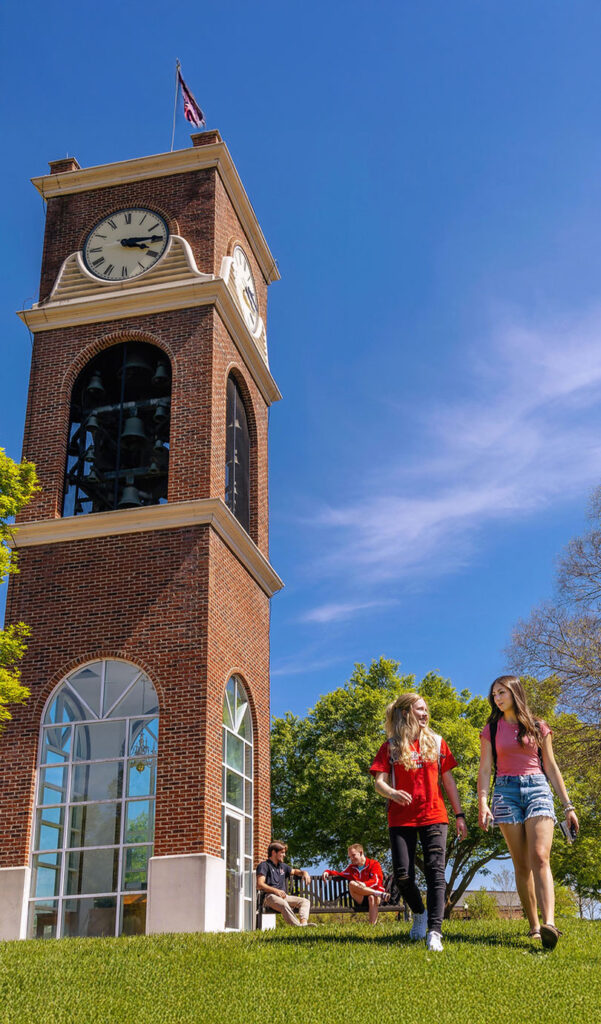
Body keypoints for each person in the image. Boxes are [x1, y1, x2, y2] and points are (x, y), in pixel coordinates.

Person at [478, 674, 579, 950]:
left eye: (502, 692)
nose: (497, 698)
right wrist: (483, 802)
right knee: (521, 864)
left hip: (537, 788)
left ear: (515, 693)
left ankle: (550, 924)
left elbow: (552, 768)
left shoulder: (538, 726)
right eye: (494, 694)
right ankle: (534, 927)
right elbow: (485, 769)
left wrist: (568, 806)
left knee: (540, 857)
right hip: (505, 792)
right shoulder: (491, 729)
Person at [370, 693, 468, 952]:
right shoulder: (390, 746)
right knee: (403, 876)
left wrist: (459, 815)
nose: (425, 714)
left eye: (426, 710)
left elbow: (448, 782)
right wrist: (392, 793)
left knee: (437, 874)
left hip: (434, 816)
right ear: (406, 713)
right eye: (420, 709)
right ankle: (419, 913)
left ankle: (434, 931)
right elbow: (379, 782)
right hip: (400, 818)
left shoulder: (437, 743)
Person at [322, 844, 389, 924]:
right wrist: (328, 872)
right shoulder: (352, 868)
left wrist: (365, 884)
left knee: (371, 897)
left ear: (361, 853)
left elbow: (376, 881)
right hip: (362, 898)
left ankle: (372, 927)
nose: (351, 859)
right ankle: (379, 893)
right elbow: (341, 874)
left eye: (353, 855)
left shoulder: (374, 864)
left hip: (375, 898)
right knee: (352, 883)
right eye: (350, 857)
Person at [256, 841, 314, 927]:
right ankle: (297, 926)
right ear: (273, 852)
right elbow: (259, 884)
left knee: (305, 901)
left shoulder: (283, 866)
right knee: (284, 904)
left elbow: (295, 871)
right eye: (282, 852)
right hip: (269, 897)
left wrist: (305, 873)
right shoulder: (264, 865)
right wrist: (276, 891)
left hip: (283, 897)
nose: (284, 855)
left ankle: (303, 923)